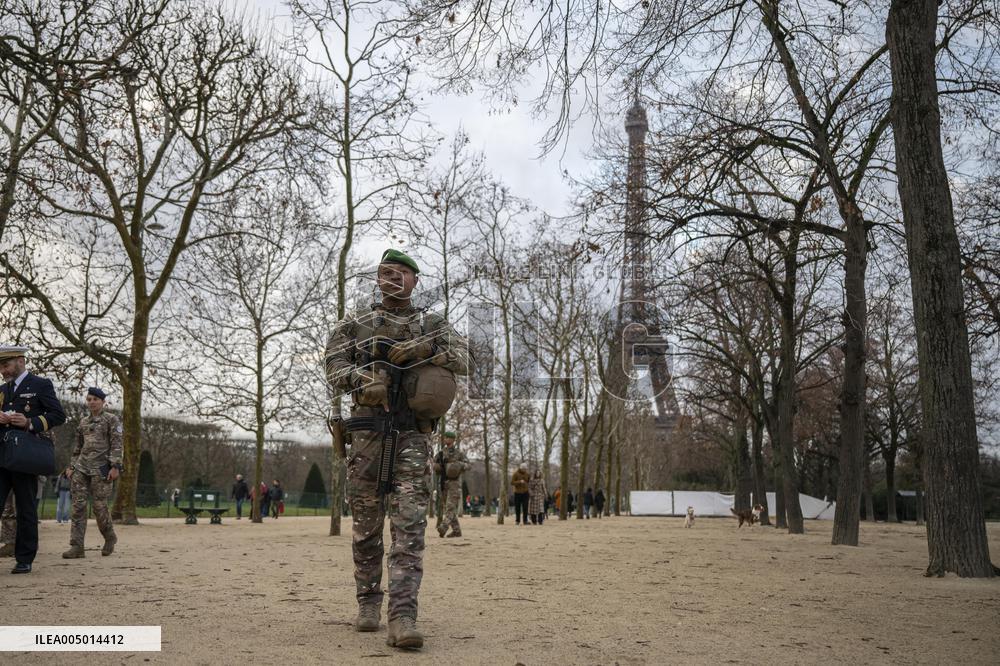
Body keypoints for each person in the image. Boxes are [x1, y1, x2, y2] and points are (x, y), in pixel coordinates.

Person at [325, 248, 468, 649]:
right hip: (367, 434)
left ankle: (403, 616)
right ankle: (368, 603)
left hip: (413, 438)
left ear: (414, 281)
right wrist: (360, 380)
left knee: (409, 527)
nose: (394, 278)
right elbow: (332, 365)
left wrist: (426, 351)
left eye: (402, 273)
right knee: (366, 526)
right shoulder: (355, 323)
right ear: (377, 278)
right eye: (386, 272)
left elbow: (467, 358)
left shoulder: (432, 323)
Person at [0, 345, 67, 573]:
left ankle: (24, 558)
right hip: (2, 454)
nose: (3, 370)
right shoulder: (2, 390)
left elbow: (58, 415)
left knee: (26, 508)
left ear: (20, 361)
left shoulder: (40, 385)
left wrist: (30, 423)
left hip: (25, 457)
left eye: (5, 365)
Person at [63, 387, 122, 559]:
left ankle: (109, 536)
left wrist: (116, 466)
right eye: (89, 399)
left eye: (95, 399)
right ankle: (77, 546)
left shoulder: (111, 420)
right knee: (78, 507)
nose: (91, 402)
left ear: (103, 401)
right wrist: (72, 466)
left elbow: (117, 444)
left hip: (101, 468)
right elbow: (78, 447)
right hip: (81, 468)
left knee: (99, 506)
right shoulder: (83, 422)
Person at [433, 431, 469, 538]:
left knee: (450, 506)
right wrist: (436, 466)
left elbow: (468, 465)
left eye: (448, 437)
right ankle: (457, 531)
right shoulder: (440, 453)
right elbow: (433, 464)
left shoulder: (459, 453)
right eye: (445, 437)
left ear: (453, 439)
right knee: (448, 507)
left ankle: (443, 527)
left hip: (455, 483)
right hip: (443, 482)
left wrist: (458, 465)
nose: (446, 439)